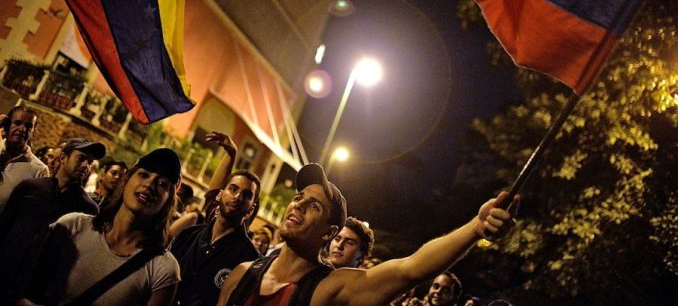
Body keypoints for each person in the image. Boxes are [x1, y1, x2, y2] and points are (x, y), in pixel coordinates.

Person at [217, 163, 518, 306]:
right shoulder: (242, 275)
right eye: (299, 197)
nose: (299, 205)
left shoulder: (331, 288)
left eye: (314, 206)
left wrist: (475, 229)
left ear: (329, 233)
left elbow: (409, 269)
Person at [21, 148, 182, 305]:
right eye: (143, 175)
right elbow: (23, 293)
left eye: (162, 183)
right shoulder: (72, 226)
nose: (149, 185)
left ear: (168, 200)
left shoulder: (163, 270)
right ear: (126, 180)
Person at [0, 137, 105, 303]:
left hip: (37, 292)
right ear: (63, 158)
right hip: (4, 274)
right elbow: (4, 227)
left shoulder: (88, 209)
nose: (86, 165)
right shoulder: (30, 187)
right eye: (81, 158)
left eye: (90, 161)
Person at [171, 169, 261, 306]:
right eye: (233, 189)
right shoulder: (188, 235)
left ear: (251, 209)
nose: (238, 197)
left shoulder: (251, 260)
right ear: (219, 195)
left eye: (247, 195)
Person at [0, 105, 48, 212]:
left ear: (33, 130)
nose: (22, 129)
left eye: (28, 126)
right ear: (7, 125)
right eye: (17, 123)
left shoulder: (39, 170)